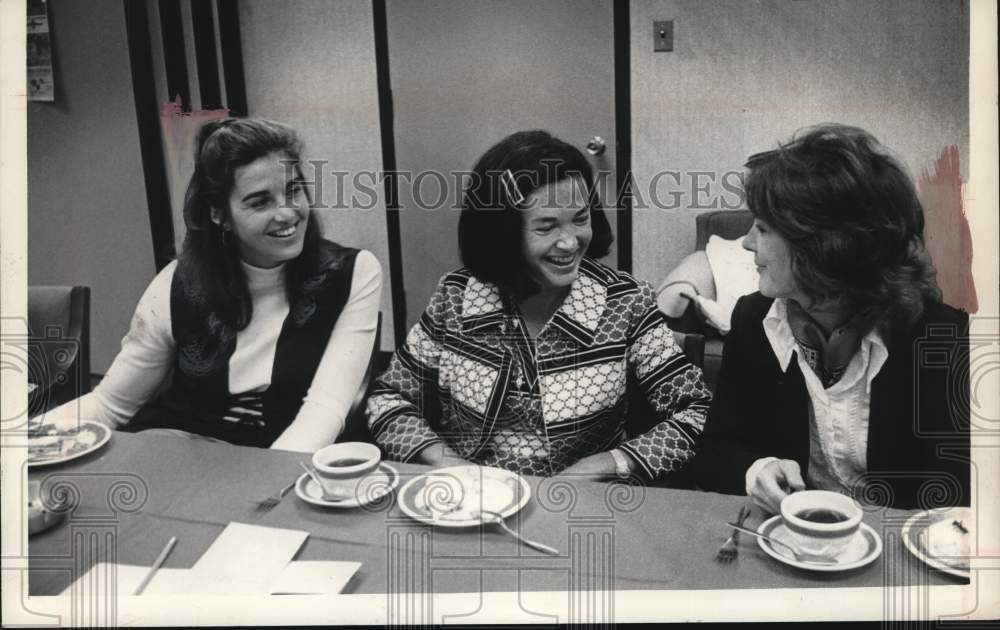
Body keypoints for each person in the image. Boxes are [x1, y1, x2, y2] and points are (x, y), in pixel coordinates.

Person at [367, 130, 711, 481]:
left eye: (580, 219)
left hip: (582, 507)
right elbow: (389, 397)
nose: (569, 242)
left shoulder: (626, 301)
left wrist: (605, 465)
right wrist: (448, 464)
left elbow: (696, 412)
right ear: (503, 233)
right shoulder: (455, 296)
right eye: (546, 227)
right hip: (470, 502)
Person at [39, 118, 382, 452]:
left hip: (279, 461)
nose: (287, 213)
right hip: (180, 454)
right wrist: (24, 443)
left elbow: (325, 410)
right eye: (260, 201)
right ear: (219, 214)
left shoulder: (353, 273)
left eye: (294, 191)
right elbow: (110, 403)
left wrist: (264, 496)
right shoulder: (178, 281)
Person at [693, 124, 969, 511]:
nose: (747, 242)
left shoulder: (943, 339)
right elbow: (717, 449)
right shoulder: (754, 319)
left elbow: (958, 495)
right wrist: (757, 470)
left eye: (763, 228)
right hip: (792, 543)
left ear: (824, 248)